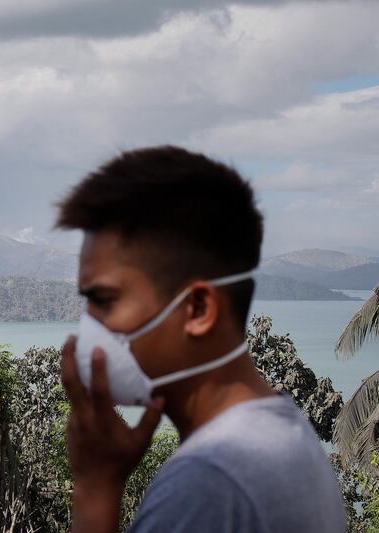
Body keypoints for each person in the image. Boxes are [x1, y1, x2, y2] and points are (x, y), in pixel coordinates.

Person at [55, 146, 346, 532]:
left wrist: (95, 489)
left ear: (197, 309)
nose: (88, 327)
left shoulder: (210, 483)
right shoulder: (282, 433)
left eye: (105, 301)